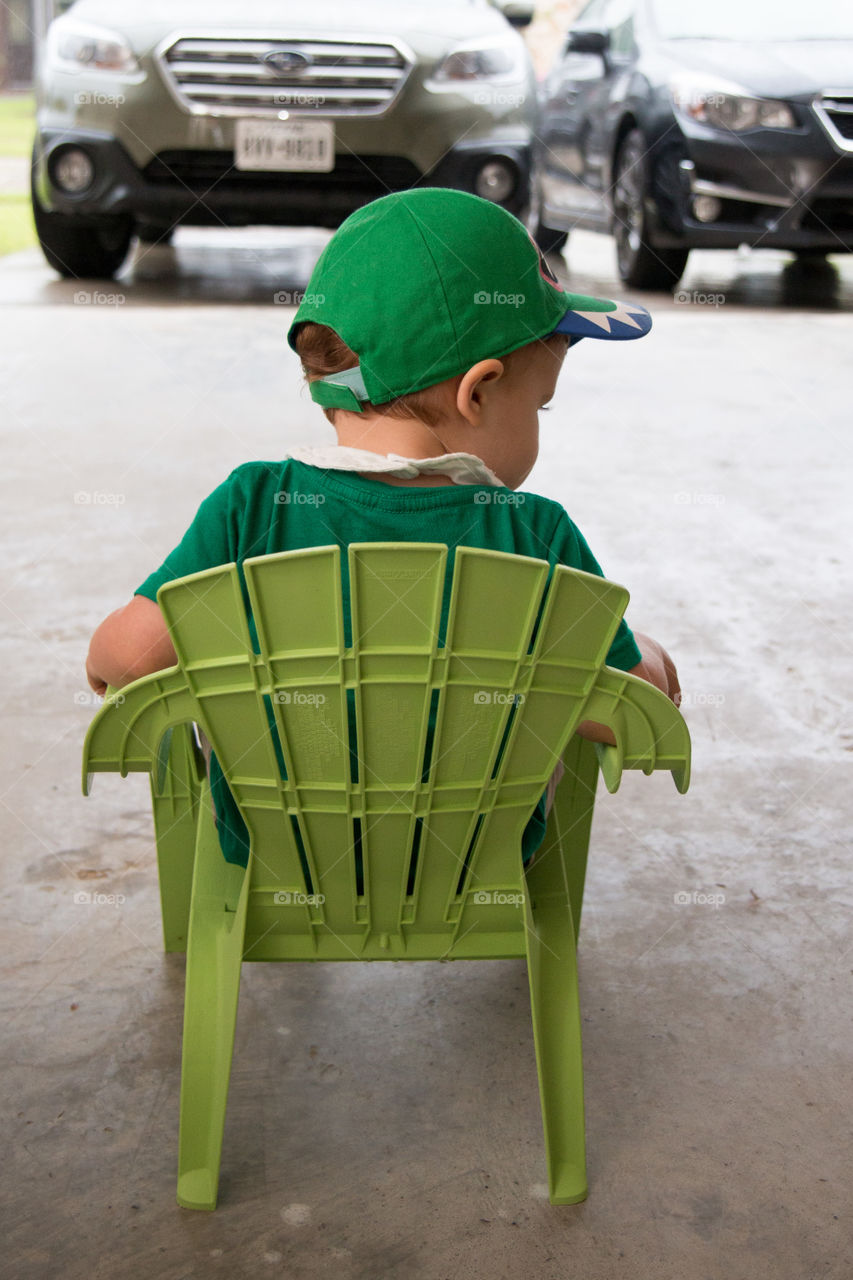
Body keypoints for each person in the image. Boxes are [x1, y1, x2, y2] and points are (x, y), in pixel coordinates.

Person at [86, 188, 680, 869]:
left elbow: (127, 662)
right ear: (478, 391)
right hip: (471, 862)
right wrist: (652, 658)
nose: (539, 421)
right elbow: (629, 713)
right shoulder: (532, 534)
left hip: (284, 858)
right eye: (541, 405)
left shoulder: (254, 506)